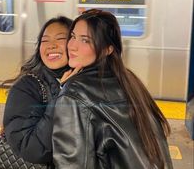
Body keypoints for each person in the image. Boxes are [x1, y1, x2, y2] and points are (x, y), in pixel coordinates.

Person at [53, 9, 173, 169]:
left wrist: (64, 89)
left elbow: (71, 164)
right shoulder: (130, 81)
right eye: (73, 36)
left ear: (107, 49)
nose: (72, 46)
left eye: (85, 40)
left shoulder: (75, 93)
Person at [3, 16, 72, 169]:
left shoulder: (83, 81)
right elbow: (31, 148)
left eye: (60, 38)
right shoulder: (27, 86)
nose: (51, 46)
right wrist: (63, 94)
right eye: (44, 40)